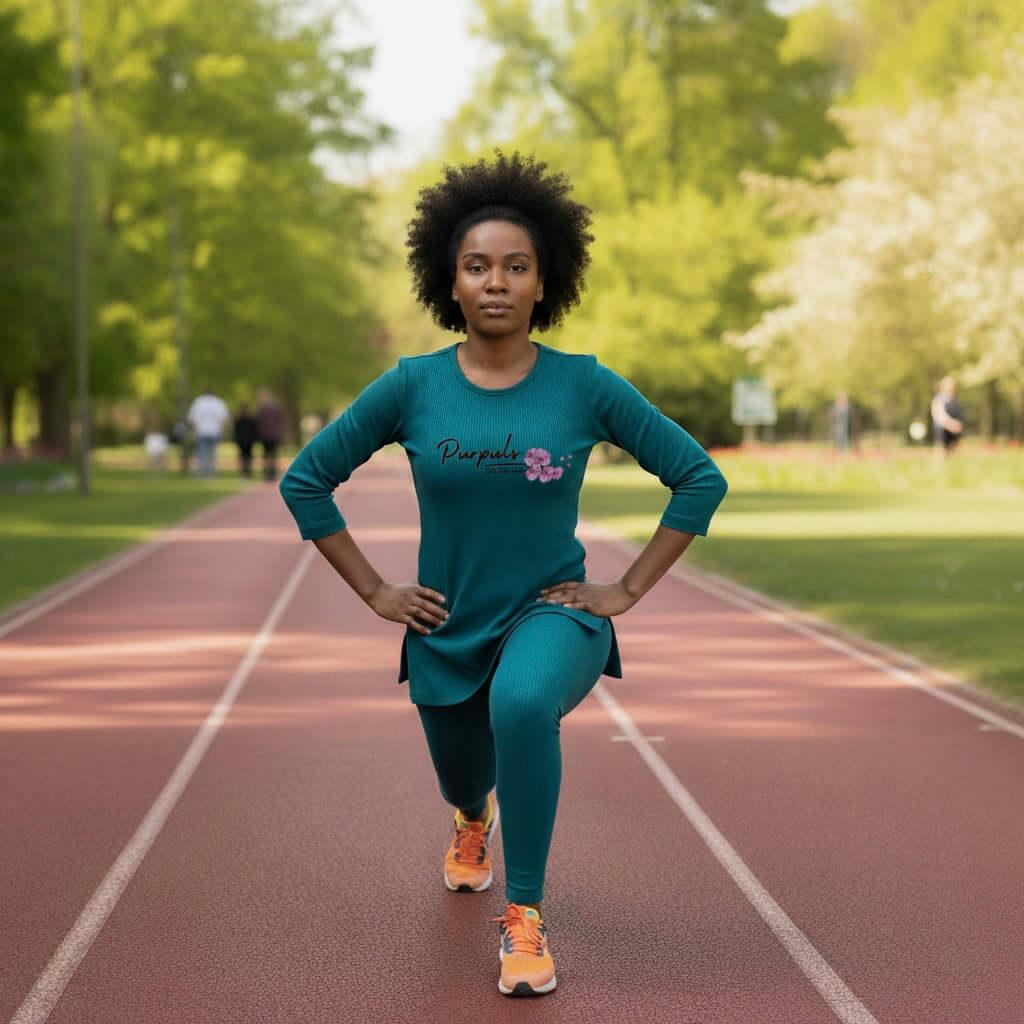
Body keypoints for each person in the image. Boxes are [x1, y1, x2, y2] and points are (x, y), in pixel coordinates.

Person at [277, 151, 729, 997]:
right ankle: (470, 819)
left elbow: (699, 476)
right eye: (477, 266)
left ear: (542, 281)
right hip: (445, 625)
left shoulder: (583, 386)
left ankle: (524, 919)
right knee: (462, 770)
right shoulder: (411, 388)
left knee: (521, 705)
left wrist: (627, 590)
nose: (496, 282)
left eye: (515, 267)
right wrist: (374, 589)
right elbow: (305, 478)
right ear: (449, 283)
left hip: (555, 615)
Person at [187, 390, 230, 477]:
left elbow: (190, 418)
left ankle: (201, 472)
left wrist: (194, 428)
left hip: (201, 431)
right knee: (212, 452)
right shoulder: (218, 402)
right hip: (215, 431)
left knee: (201, 452)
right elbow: (225, 417)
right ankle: (211, 473)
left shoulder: (198, 401)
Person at [930, 375, 964, 457]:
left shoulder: (955, 401)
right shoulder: (938, 400)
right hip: (942, 428)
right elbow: (940, 416)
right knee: (941, 449)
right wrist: (951, 424)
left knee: (953, 449)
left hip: (954, 428)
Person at [256, 389, 284, 482]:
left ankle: (269, 473)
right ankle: (271, 473)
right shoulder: (275, 409)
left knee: (268, 455)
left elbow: (258, 423)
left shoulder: (261, 410)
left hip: (266, 435)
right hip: (272, 435)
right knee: (272, 455)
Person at [232, 403, 259, 478]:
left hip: (247, 441)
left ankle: (247, 472)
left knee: (246, 456)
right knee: (245, 456)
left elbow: (254, 431)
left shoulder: (248, 420)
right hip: (244, 441)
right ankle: (245, 472)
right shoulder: (240, 420)